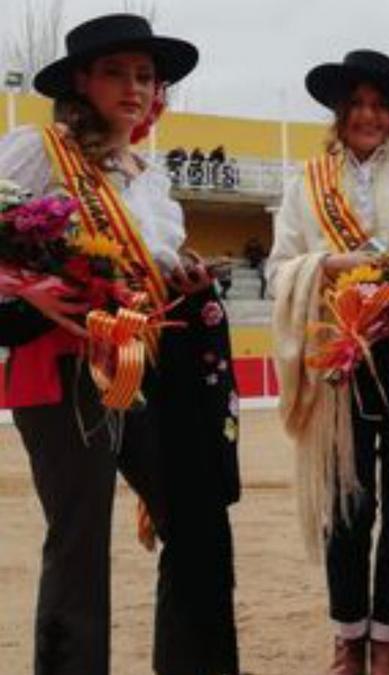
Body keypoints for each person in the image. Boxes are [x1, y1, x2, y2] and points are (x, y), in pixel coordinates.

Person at [0, 13, 241, 675]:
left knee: (193, 521)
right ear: (82, 80)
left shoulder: (150, 178)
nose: (134, 87)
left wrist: (183, 277)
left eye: (145, 76)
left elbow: (147, 269)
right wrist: (25, 290)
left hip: (147, 365)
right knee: (79, 541)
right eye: (116, 73)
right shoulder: (38, 150)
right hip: (64, 363)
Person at [267, 49, 389, 675]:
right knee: (347, 502)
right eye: (358, 104)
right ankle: (348, 638)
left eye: (380, 105)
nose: (369, 115)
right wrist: (334, 266)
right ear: (340, 111)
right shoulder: (306, 182)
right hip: (339, 354)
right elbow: (278, 270)